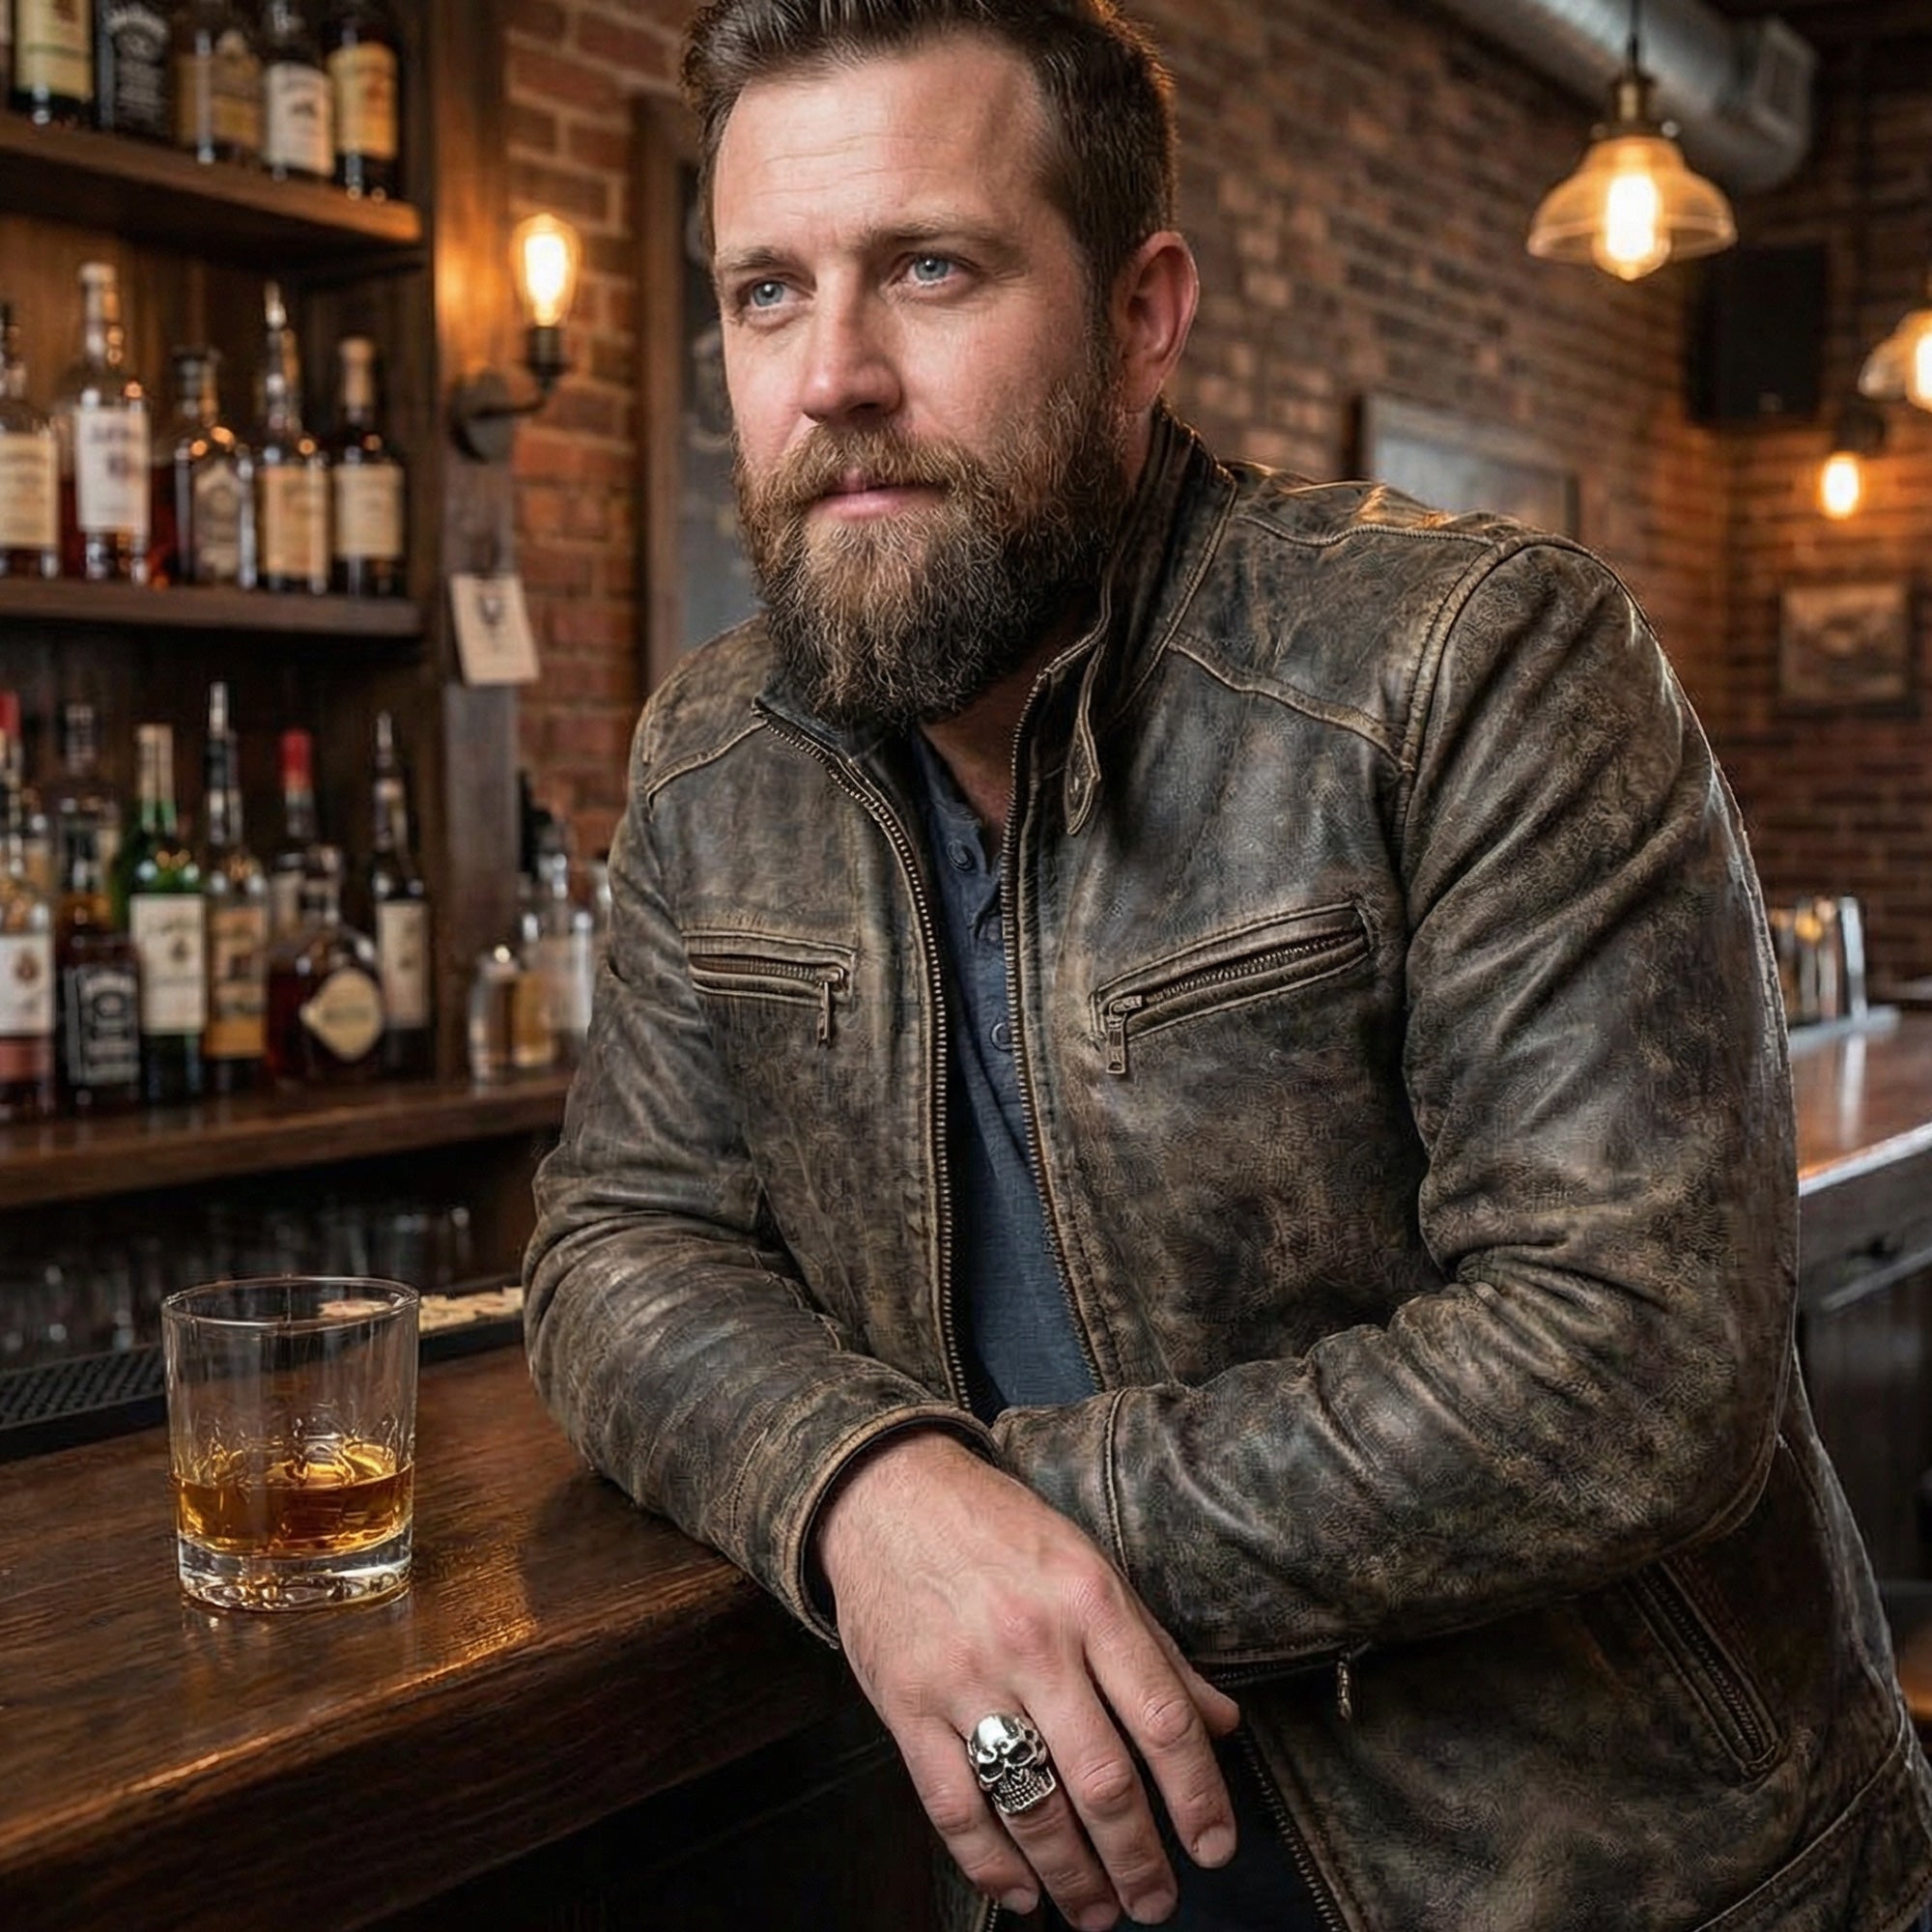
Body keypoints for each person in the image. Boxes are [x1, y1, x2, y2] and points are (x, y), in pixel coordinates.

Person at [523, 3, 1932, 1926]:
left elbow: (1634, 1364)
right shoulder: (715, 754)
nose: (832, 373)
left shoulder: (1472, 664)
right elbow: (621, 1239)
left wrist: (997, 1525)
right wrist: (865, 1494)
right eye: (766, 290)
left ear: (1142, 314)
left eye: (930, 269)